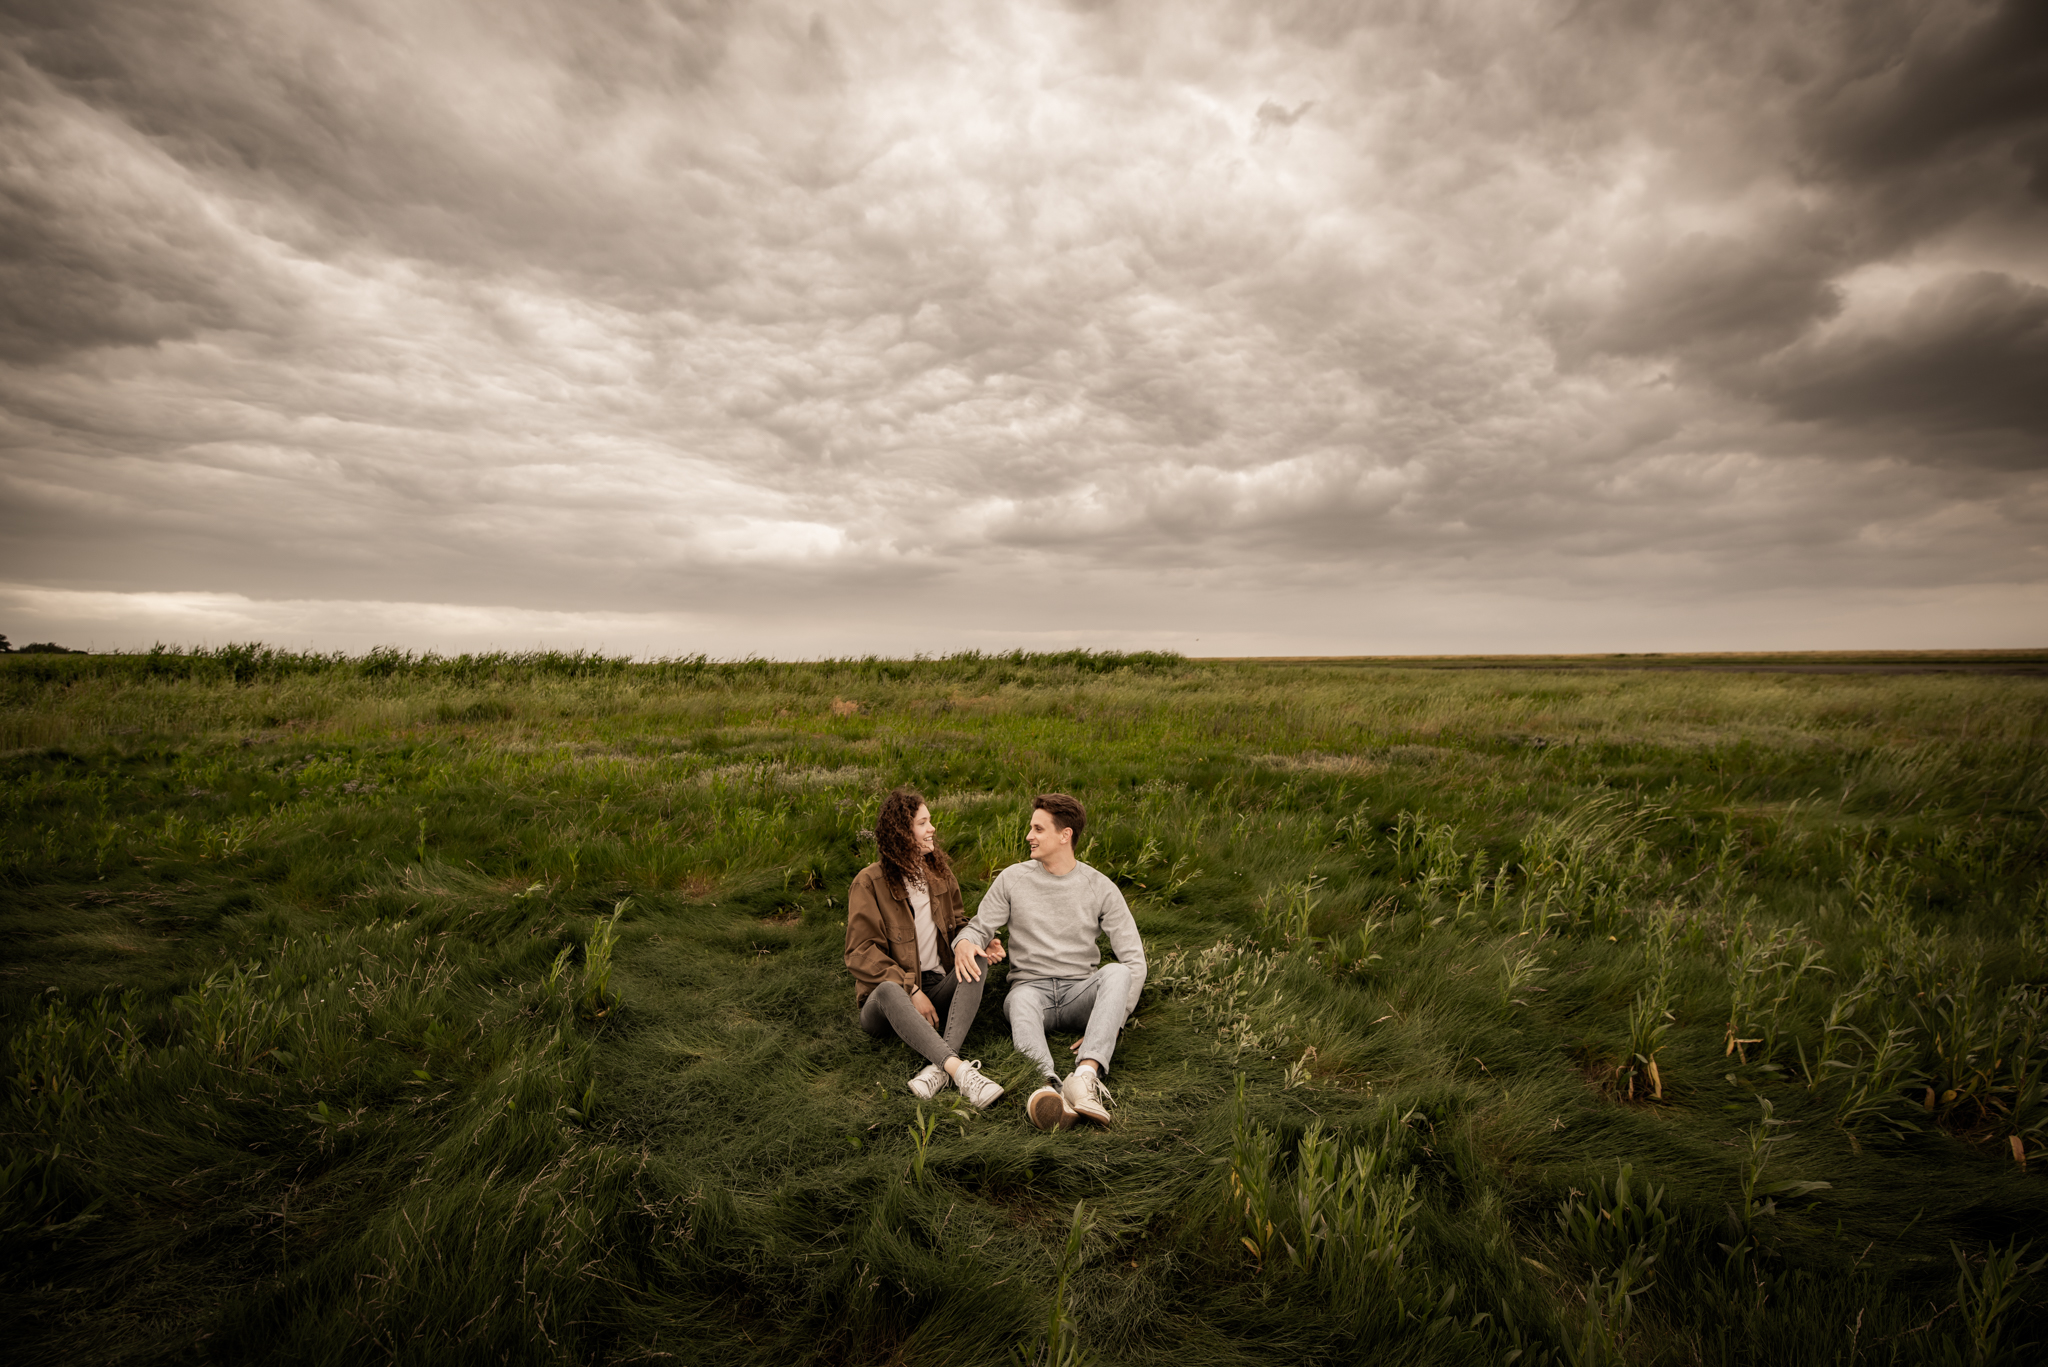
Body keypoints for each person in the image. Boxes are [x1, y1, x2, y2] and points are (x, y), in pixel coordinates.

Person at [953, 792, 1145, 1130]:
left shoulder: (1100, 887)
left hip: (1079, 992)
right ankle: (1049, 1089)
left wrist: (1112, 1020)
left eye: (1038, 829)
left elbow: (1134, 959)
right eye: (1031, 828)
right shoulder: (1013, 879)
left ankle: (1085, 1077)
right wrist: (965, 943)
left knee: (1117, 972)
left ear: (1065, 835)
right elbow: (980, 927)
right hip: (1031, 991)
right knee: (1021, 1002)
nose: (1029, 836)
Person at [845, 787, 1006, 1107]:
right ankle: (960, 1071)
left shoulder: (938, 876)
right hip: (886, 1004)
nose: (932, 828)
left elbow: (959, 923)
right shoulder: (869, 882)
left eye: (930, 821)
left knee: (976, 960)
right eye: (923, 823)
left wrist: (980, 941)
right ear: (902, 833)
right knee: (891, 990)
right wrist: (911, 989)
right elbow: (859, 952)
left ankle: (938, 1069)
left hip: (937, 985)